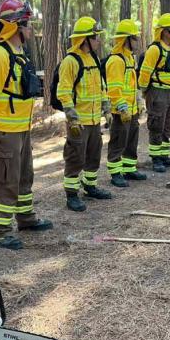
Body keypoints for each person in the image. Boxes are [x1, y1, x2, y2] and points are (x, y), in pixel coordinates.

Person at [0, 0, 53, 250]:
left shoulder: (18, 52)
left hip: (21, 128)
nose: (30, 29)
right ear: (15, 25)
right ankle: (1, 232)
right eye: (27, 23)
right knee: (7, 181)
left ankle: (26, 218)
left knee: (24, 177)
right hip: (5, 130)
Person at [57, 16, 114, 211]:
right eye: (96, 36)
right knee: (75, 157)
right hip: (78, 122)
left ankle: (90, 186)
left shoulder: (94, 59)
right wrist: (72, 119)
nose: (99, 40)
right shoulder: (70, 61)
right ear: (85, 39)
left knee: (93, 155)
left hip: (93, 120)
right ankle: (72, 195)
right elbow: (63, 92)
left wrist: (106, 110)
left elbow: (102, 87)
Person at [137, 13, 170, 173]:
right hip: (157, 92)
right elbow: (145, 72)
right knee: (156, 125)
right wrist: (144, 92)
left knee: (167, 126)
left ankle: (164, 156)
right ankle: (156, 158)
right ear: (164, 31)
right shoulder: (155, 49)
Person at [105, 19, 147, 187]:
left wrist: (138, 101)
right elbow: (114, 89)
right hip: (120, 111)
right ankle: (115, 173)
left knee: (131, 140)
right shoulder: (116, 61)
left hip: (132, 109)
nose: (136, 41)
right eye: (134, 38)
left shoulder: (130, 58)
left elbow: (133, 83)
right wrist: (122, 108)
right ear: (126, 39)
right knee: (118, 142)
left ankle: (129, 169)